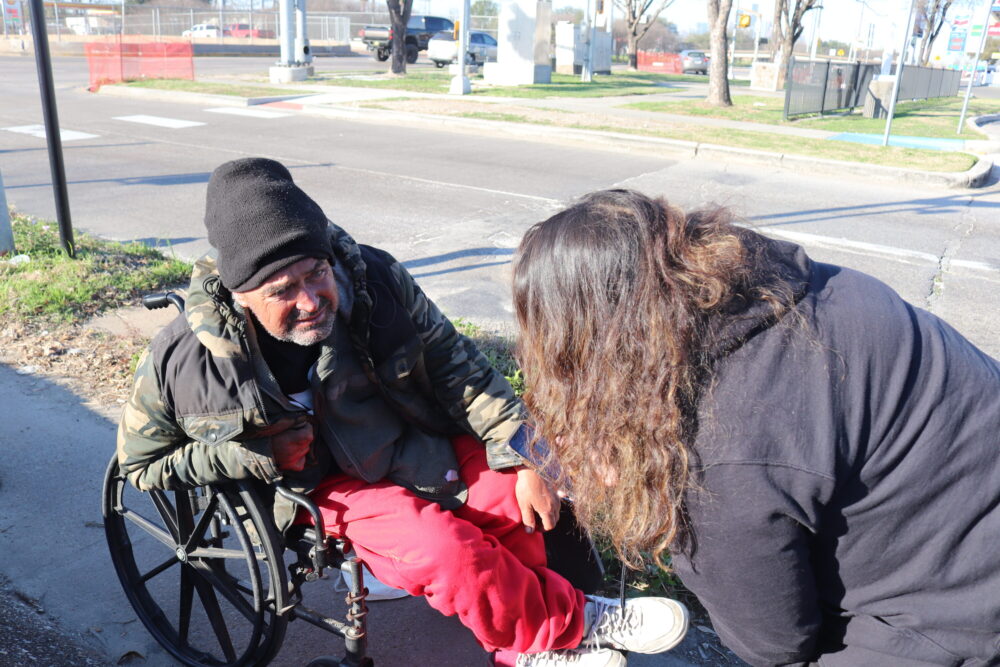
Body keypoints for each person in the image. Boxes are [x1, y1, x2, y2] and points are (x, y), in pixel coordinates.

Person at [116, 159, 689, 667]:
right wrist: (255, 454)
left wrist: (525, 455)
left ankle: (522, 647)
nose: (311, 300)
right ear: (240, 293)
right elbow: (140, 467)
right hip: (322, 487)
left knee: (514, 503)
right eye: (283, 290)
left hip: (406, 439)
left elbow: (458, 367)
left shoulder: (374, 280)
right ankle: (578, 623)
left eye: (316, 273)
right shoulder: (184, 361)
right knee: (444, 550)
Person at [510, 189, 1000, 666]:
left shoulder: (714, 451)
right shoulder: (789, 286)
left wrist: (646, 490)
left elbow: (775, 643)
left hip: (956, 613)